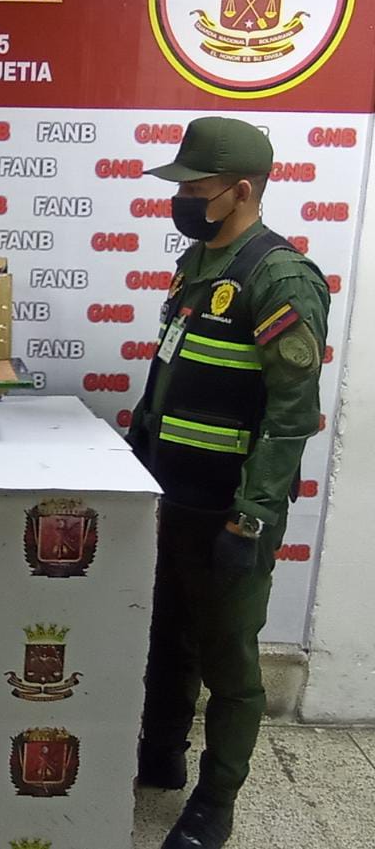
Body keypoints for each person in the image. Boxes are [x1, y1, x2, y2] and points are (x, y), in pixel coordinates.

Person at [127, 117, 330, 849]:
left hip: (230, 508)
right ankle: (160, 755)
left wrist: (253, 516)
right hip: (172, 493)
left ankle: (215, 803)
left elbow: (291, 414)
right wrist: (138, 452)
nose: (183, 198)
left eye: (197, 187)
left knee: (230, 660)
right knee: (167, 636)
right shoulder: (196, 264)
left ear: (242, 191)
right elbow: (168, 369)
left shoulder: (279, 277)